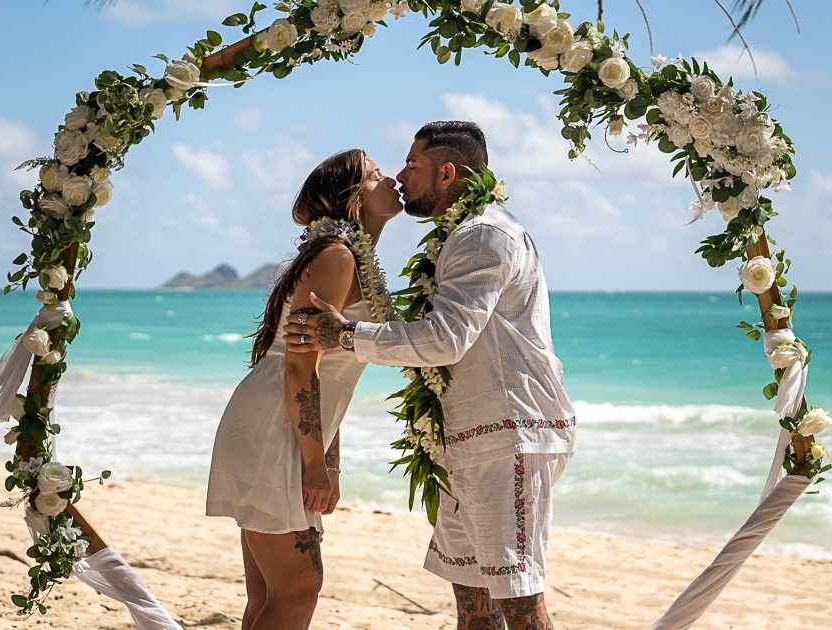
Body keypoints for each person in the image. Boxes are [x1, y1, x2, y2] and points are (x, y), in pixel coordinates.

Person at [283, 121, 577, 629]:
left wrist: (346, 335)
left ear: (446, 173)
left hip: (506, 435)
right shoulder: (460, 236)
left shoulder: (482, 233)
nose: (400, 177)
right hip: (467, 439)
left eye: (412, 166)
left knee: (519, 603)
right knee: (474, 609)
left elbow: (446, 338)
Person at [205, 149, 402, 629]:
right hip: (276, 425)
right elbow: (300, 367)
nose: (391, 178)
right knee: (297, 588)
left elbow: (328, 378)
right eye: (376, 175)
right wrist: (315, 463)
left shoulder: (345, 256)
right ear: (352, 196)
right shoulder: (336, 257)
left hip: (278, 422)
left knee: (272, 592)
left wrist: (328, 462)